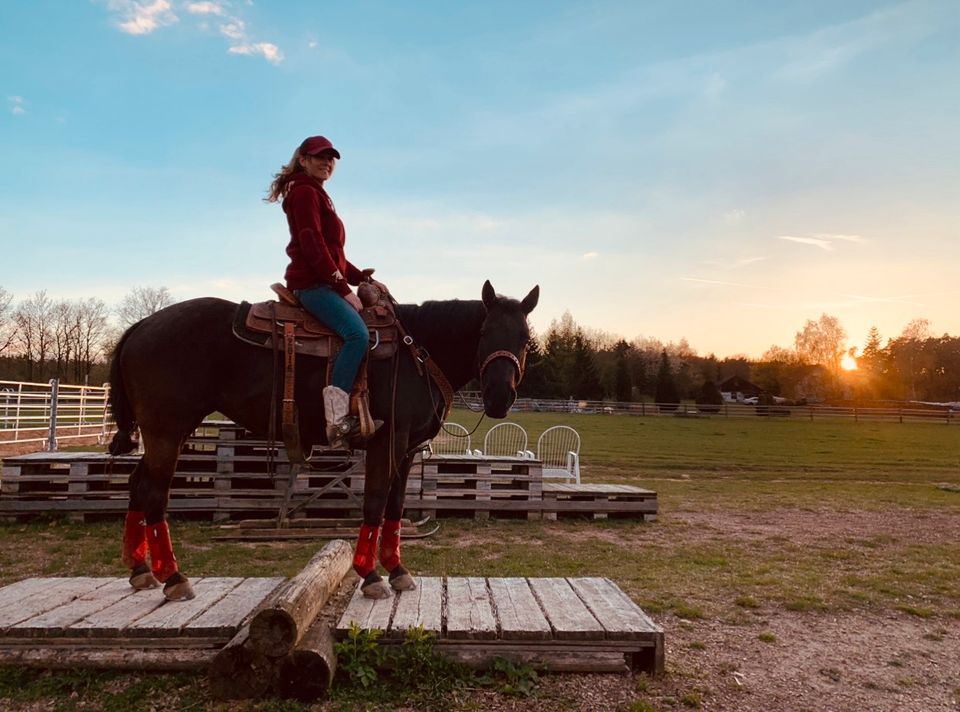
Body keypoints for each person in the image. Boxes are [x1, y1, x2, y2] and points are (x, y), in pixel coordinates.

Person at [266, 135, 385, 448]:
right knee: (357, 334)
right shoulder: (304, 192)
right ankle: (336, 419)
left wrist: (362, 278)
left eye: (331, 158)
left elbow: (333, 253)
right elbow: (313, 246)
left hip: (322, 279)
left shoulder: (315, 193)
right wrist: (344, 288)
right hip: (312, 284)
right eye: (319, 157)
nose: (327, 163)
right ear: (303, 159)